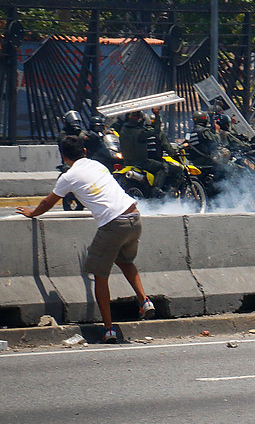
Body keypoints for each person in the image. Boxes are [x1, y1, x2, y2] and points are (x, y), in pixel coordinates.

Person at [17, 136, 156, 343]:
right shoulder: (97, 164)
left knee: (100, 276)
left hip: (113, 224)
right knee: (125, 261)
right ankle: (144, 301)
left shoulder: (68, 177)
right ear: (83, 150)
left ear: (63, 156)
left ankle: (109, 329)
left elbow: (48, 202)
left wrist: (32, 213)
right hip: (134, 217)